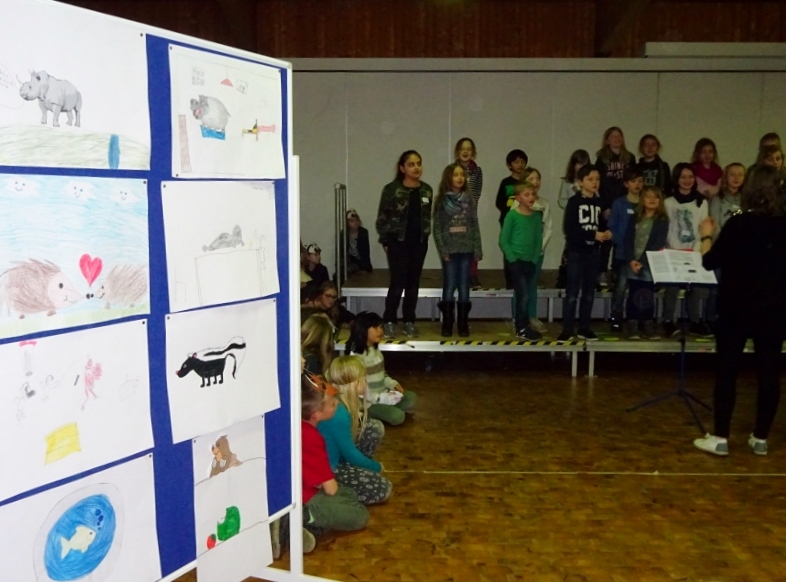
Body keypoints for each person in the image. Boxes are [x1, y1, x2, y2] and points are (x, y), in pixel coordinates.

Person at [693, 165, 786, 456]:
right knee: (769, 373)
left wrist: (706, 236)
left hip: (736, 307)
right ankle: (761, 438)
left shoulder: (739, 224)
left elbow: (710, 262)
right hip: (774, 308)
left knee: (727, 372)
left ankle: (720, 437)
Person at [296, 373, 369, 543]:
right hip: (304, 498)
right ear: (317, 415)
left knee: (350, 494)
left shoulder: (300, 427)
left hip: (304, 489)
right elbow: (331, 489)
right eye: (332, 404)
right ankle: (304, 517)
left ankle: (311, 526)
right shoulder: (312, 437)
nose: (337, 405)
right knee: (360, 515)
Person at [319, 356, 393, 505]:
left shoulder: (340, 402)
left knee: (373, 427)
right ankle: (330, 492)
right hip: (328, 469)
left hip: (338, 458)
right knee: (383, 488)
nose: (366, 381)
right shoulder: (338, 413)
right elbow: (351, 454)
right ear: (355, 383)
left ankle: (357, 473)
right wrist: (376, 467)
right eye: (364, 378)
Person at [375, 150, 433, 339]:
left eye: (418, 163)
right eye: (411, 164)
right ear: (402, 168)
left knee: (413, 283)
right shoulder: (392, 189)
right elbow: (382, 217)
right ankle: (389, 320)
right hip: (398, 243)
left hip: (419, 244)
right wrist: (385, 240)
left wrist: (425, 236)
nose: (416, 168)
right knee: (397, 282)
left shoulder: (427, 190)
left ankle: (409, 320)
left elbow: (427, 217)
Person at [558, 165, 610, 342]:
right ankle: (567, 329)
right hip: (576, 252)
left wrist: (606, 233)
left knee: (589, 292)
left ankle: (584, 327)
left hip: (593, 252)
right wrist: (592, 235)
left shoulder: (599, 202)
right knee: (572, 293)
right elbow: (570, 229)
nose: (595, 183)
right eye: (590, 179)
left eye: (597, 179)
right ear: (580, 182)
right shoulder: (574, 202)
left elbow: (601, 225)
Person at [662, 163, 711, 338]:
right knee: (672, 288)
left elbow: (703, 226)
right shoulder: (668, 201)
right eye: (683, 177)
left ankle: (695, 322)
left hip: (694, 251)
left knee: (695, 288)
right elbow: (667, 226)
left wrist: (697, 249)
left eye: (690, 177)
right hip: (674, 250)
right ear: (676, 179)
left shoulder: (701, 201)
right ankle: (668, 320)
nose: (687, 180)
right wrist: (673, 248)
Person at [433, 163, 482, 337]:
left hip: (467, 248)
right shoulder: (441, 200)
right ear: (448, 178)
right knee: (449, 285)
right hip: (450, 250)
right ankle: (447, 323)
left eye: (462, 175)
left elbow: (474, 225)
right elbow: (437, 228)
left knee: (464, 286)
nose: (460, 178)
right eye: (456, 175)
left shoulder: (469, 199)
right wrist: (443, 250)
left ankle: (463, 323)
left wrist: (477, 248)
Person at [344, 311, 416, 425]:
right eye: (375, 327)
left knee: (411, 398)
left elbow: (383, 374)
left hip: (382, 394)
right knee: (398, 417)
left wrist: (393, 385)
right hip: (368, 402)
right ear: (362, 329)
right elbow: (358, 390)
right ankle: (368, 414)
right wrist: (383, 398)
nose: (380, 331)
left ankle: (386, 409)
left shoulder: (375, 350)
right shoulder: (355, 357)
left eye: (381, 327)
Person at [499, 181, 543, 341]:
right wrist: (512, 259)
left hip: (530, 262)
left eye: (532, 194)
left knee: (527, 294)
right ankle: (521, 327)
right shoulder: (512, 215)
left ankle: (524, 325)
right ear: (518, 198)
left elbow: (538, 240)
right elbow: (504, 241)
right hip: (516, 261)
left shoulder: (536, 216)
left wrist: (534, 259)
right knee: (523, 294)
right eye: (526, 194)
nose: (531, 197)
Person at [623, 185, 668, 340]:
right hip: (633, 262)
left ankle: (647, 324)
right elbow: (628, 239)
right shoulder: (635, 217)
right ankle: (633, 324)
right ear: (642, 199)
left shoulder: (662, 220)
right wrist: (631, 259)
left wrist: (642, 261)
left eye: (656, 197)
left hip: (649, 263)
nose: (652, 199)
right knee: (634, 293)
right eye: (648, 196)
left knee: (647, 294)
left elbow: (658, 242)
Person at [706, 163, 745, 328]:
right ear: (725, 177)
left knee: (740, 289)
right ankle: (711, 319)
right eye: (732, 174)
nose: (736, 178)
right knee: (716, 288)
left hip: (743, 253)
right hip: (723, 249)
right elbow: (715, 224)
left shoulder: (747, 200)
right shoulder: (718, 199)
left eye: (740, 175)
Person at [595, 127, 634, 288]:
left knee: (622, 241)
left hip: (625, 205)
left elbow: (633, 182)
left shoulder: (630, 158)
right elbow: (599, 185)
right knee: (606, 240)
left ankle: (618, 272)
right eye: (613, 136)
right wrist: (604, 207)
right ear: (607, 140)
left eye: (619, 136)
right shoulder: (601, 159)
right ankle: (602, 272)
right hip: (608, 206)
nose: (617, 139)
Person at [607, 166, 644, 332]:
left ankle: (637, 318)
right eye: (633, 181)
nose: (637, 184)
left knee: (639, 287)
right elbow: (612, 227)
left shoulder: (645, 203)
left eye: (640, 181)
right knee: (620, 287)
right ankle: (616, 316)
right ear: (626, 183)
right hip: (622, 253)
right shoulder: (619, 203)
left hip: (641, 254)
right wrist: (623, 244)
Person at [521, 168, 552, 333]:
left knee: (532, 284)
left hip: (537, 252)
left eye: (537, 178)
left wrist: (540, 247)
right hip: (521, 252)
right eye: (531, 178)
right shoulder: (517, 203)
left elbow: (548, 228)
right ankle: (519, 317)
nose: (535, 182)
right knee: (521, 285)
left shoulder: (544, 204)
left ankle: (532, 316)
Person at [556, 149, 591, 288]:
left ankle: (586, 277)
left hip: (588, 220)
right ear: (573, 164)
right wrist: (573, 206)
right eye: (579, 163)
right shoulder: (567, 182)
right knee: (570, 248)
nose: (581, 166)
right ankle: (565, 277)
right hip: (573, 219)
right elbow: (561, 200)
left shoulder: (591, 181)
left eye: (585, 164)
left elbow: (597, 198)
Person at [494, 149, 528, 289]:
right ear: (509, 165)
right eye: (516, 162)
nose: (520, 165)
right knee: (509, 251)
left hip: (525, 222)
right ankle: (510, 281)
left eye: (522, 162)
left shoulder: (528, 182)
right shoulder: (506, 182)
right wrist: (512, 206)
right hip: (509, 221)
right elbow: (499, 202)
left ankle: (524, 279)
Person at [454, 137, 484, 288]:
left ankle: (472, 275)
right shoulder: (452, 170)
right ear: (457, 152)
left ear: (473, 152)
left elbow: (477, 193)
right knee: (456, 245)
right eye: (462, 149)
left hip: (470, 213)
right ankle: (457, 275)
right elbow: (449, 190)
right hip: (454, 214)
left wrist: (470, 209)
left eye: (469, 149)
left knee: (472, 245)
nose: (465, 152)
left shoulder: (477, 171)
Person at [342, 209, 372, 276]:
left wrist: (365, 268)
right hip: (350, 260)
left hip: (360, 261)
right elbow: (342, 252)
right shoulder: (343, 234)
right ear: (347, 223)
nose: (355, 223)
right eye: (352, 221)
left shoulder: (363, 232)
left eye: (356, 220)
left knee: (349, 270)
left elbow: (366, 252)